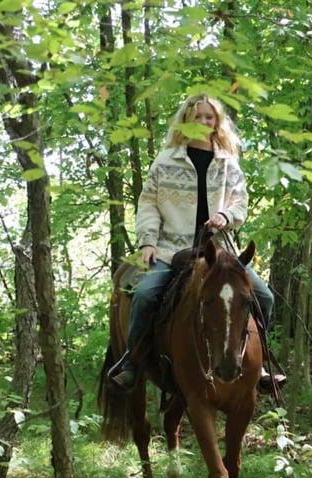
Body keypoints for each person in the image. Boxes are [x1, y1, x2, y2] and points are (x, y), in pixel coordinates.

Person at [109, 92, 285, 393]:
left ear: (217, 122)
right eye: (197, 116)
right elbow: (148, 203)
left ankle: (259, 364)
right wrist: (147, 242)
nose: (203, 122)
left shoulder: (228, 163)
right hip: (170, 249)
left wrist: (225, 216)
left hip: (218, 252)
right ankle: (132, 362)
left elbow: (240, 203)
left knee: (264, 297)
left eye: (209, 117)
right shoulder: (166, 161)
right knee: (146, 295)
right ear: (186, 120)